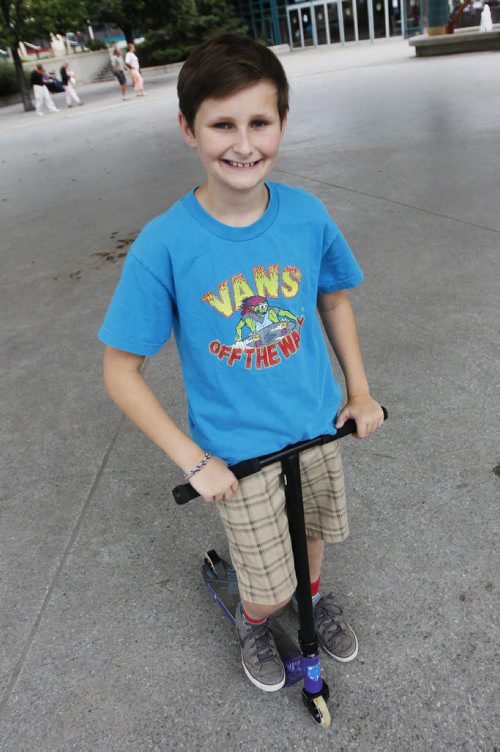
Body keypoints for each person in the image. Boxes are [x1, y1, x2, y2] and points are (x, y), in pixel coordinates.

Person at [98, 34, 384, 693]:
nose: (243, 143)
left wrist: (360, 392)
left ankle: (309, 602)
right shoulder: (165, 245)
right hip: (238, 458)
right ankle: (254, 619)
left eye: (260, 121)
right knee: (267, 584)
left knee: (313, 542)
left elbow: (334, 301)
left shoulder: (306, 216)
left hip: (316, 429)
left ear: (283, 121)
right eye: (221, 124)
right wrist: (196, 462)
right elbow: (120, 372)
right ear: (187, 129)